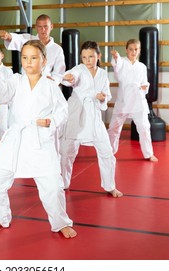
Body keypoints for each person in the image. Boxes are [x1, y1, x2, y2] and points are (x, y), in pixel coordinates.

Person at [0, 40, 77, 238]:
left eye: (34, 58)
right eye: (25, 57)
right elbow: (1, 88)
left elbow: (63, 111)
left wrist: (51, 121)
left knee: (53, 187)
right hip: (15, 138)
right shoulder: (16, 81)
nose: (28, 62)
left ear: (44, 61)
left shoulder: (50, 86)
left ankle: (61, 222)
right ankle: (0, 216)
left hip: (40, 139)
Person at [60, 41, 123, 198]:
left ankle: (110, 186)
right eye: (84, 57)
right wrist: (68, 78)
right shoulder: (79, 69)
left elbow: (106, 95)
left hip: (94, 116)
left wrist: (102, 98)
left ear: (99, 56)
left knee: (106, 152)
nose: (87, 60)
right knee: (67, 151)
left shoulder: (103, 74)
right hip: (77, 113)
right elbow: (72, 77)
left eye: (91, 56)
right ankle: (63, 183)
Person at [108, 39, 158, 162]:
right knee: (113, 128)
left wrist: (145, 86)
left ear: (139, 50)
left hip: (137, 101)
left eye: (136, 49)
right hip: (123, 100)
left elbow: (144, 82)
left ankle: (149, 153)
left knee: (144, 128)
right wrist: (116, 57)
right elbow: (117, 68)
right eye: (131, 49)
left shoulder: (142, 67)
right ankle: (109, 152)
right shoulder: (122, 62)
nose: (133, 52)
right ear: (126, 50)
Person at [0, 14, 65, 84]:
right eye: (40, 27)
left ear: (51, 26)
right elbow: (18, 39)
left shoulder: (57, 49)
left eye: (46, 26)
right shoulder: (29, 40)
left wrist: (52, 81)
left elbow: (59, 73)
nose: (43, 30)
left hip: (45, 84)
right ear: (36, 27)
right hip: (26, 82)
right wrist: (8, 36)